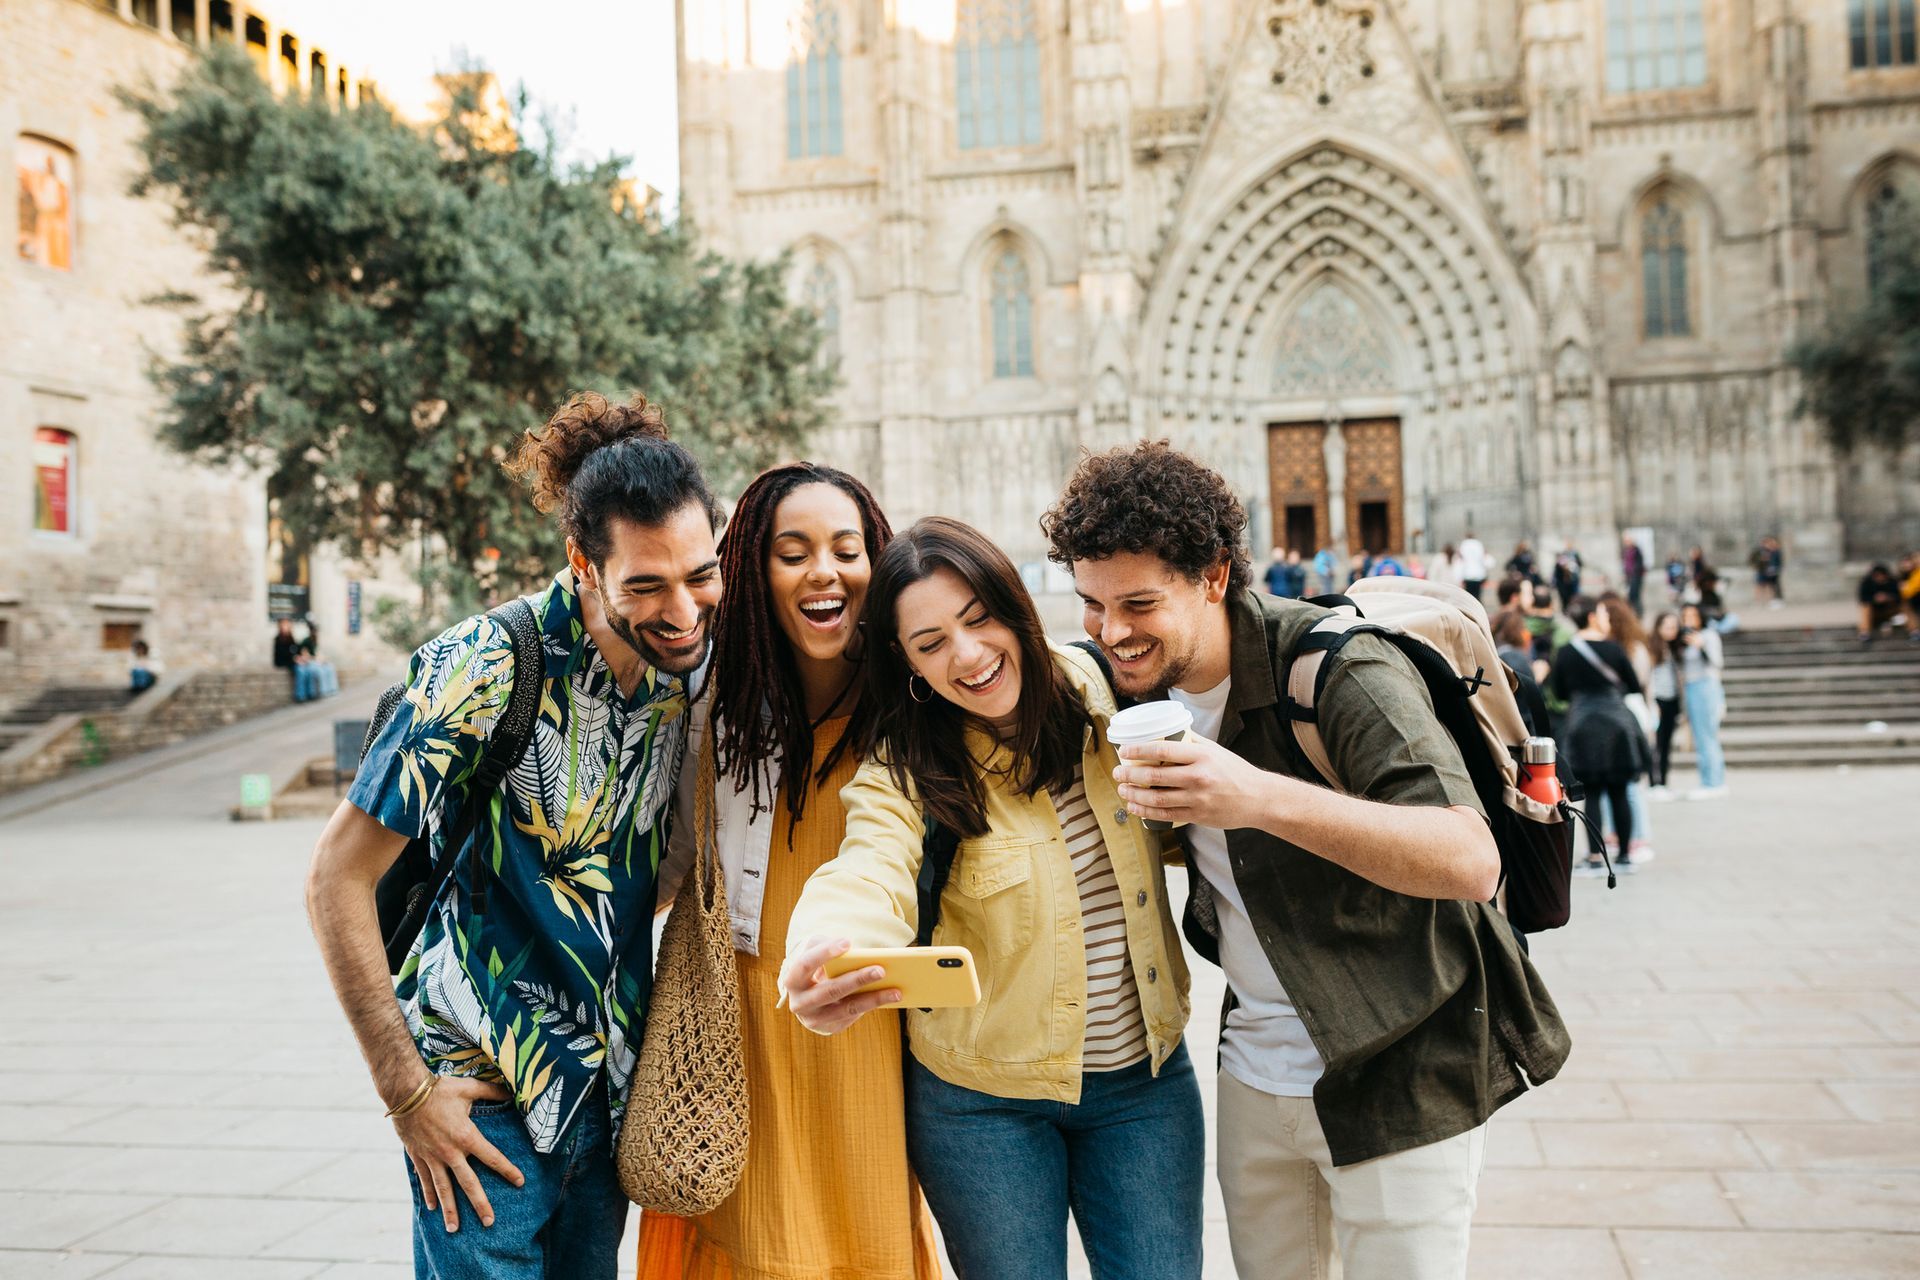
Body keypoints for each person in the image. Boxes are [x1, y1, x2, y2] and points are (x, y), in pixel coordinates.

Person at [1043, 442, 1567, 1280]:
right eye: (1093, 605)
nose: (1113, 633)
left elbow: (1471, 859)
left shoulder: (1339, 668)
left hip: (1403, 1069)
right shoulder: (1139, 691)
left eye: (1138, 603)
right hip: (1254, 1079)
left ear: (1214, 577)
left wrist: (1253, 797)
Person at [305, 392, 722, 1280]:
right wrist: (404, 1092)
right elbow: (334, 877)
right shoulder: (485, 665)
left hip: (606, 1112)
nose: (684, 609)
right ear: (584, 563)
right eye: (647, 585)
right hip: (480, 1108)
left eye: (700, 575)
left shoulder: (677, 681)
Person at [782, 517, 1201, 1280]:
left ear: (1014, 605)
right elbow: (868, 867)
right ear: (907, 664)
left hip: (1145, 1086)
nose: (968, 656)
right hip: (981, 1108)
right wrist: (828, 945)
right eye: (931, 643)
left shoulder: (1107, 695)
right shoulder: (906, 764)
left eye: (978, 620)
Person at [635, 464, 941, 1279]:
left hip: (864, 1019)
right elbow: (675, 865)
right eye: (792, 552)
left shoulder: (911, 703)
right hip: (738, 1027)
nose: (823, 573)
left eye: (846, 550)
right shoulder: (714, 703)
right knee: (751, 1245)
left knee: (866, 1234)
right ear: (752, 572)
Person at [1550, 596, 1649, 877]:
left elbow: (1557, 691)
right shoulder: (1614, 650)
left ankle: (1595, 856)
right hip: (1616, 723)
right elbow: (1632, 685)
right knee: (1619, 789)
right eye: (1604, 614)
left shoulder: (1567, 652)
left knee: (1592, 792)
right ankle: (1626, 855)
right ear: (1593, 617)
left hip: (1582, 722)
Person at [1594, 591, 1656, 865]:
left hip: (1629, 716)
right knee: (1612, 778)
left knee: (1629, 782)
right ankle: (1617, 833)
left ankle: (1638, 835)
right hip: (1612, 718)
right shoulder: (1607, 648)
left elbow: (1636, 682)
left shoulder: (1631, 650)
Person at [1678, 603, 1729, 798]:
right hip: (1692, 688)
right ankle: (1707, 779)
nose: (1689, 619)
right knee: (1700, 736)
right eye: (1685, 615)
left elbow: (1717, 663)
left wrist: (1702, 646)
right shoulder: (1686, 639)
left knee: (1708, 735)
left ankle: (1714, 782)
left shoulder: (1708, 636)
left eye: (1692, 615)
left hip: (1705, 686)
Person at [1645, 613, 1685, 800]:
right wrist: (1651, 702)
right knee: (1657, 744)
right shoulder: (1652, 648)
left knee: (1667, 743)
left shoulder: (1675, 648)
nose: (1672, 631)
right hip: (1658, 700)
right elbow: (1648, 677)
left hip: (1672, 700)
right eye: (1668, 626)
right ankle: (1655, 782)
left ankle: (1664, 782)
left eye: (1674, 627)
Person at [1858, 562, 1912, 643]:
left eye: (1881, 575)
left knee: (1905, 606)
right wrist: (1875, 599)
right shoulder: (1867, 583)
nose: (1879, 578)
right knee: (1865, 607)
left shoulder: (1892, 582)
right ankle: (1864, 634)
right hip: (1874, 612)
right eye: (1877, 576)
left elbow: (1900, 597)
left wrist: (1888, 597)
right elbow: (1863, 598)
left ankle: (1914, 631)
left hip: (1890, 610)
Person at [1750, 536, 1784, 608]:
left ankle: (1769, 601)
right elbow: (1752, 560)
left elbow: (1777, 561)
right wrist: (1758, 563)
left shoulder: (1773, 551)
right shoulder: (1758, 551)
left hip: (1769, 572)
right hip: (1760, 571)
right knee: (1759, 587)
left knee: (1769, 587)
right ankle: (1757, 602)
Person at [1551, 541, 1583, 612]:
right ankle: (1567, 611)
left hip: (1572, 581)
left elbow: (1580, 564)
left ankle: (1571, 611)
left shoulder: (1575, 555)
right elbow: (1557, 571)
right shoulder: (1563, 556)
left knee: (1573, 598)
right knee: (1565, 599)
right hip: (1564, 582)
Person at [1457, 531, 1489, 601]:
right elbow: (1482, 558)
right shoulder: (1478, 544)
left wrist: (1460, 576)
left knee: (1469, 597)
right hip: (1478, 574)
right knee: (1477, 595)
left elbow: (1461, 560)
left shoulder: (1464, 544)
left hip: (1468, 574)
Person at [1620, 536, 1646, 617]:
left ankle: (1638, 613)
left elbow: (1640, 564)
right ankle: (1632, 611)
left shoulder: (1636, 550)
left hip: (1635, 576)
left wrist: (1635, 573)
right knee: (1630, 595)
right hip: (1629, 576)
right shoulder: (1626, 550)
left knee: (1635, 595)